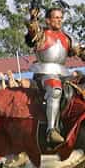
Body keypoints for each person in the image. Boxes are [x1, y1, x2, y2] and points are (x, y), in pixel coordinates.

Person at [26, 7, 85, 144]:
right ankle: (51, 130)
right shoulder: (42, 35)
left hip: (64, 74)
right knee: (55, 90)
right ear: (48, 20)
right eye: (56, 17)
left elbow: (80, 52)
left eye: (61, 17)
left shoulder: (67, 38)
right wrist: (33, 19)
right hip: (45, 73)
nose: (59, 20)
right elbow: (32, 32)